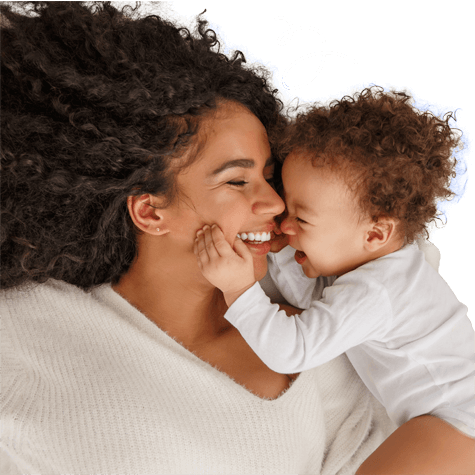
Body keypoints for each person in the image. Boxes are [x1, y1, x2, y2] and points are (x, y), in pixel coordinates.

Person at [1, 2, 473, 473]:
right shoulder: (29, 330)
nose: (274, 203)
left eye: (271, 177)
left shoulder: (321, 318)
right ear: (150, 210)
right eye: (236, 180)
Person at [194, 88, 475, 467]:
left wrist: (239, 289)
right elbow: (310, 302)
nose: (284, 223)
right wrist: (282, 251)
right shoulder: (371, 264)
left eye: (302, 218)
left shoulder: (376, 291)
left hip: (455, 423)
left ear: (375, 234)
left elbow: (293, 349)